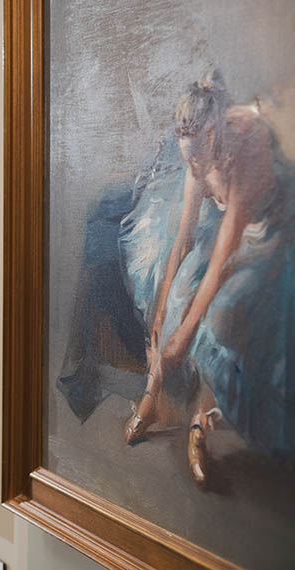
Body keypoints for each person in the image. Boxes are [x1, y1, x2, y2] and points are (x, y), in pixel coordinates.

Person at [120, 70, 295, 487]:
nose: (193, 168)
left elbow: (224, 257)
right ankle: (154, 394)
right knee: (180, 291)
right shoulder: (196, 152)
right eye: (187, 159)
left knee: (220, 314)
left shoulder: (247, 147)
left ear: (214, 137)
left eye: (197, 158)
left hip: (268, 240)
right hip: (224, 238)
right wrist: (163, 312)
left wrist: (182, 338)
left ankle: (200, 420)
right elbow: (182, 238)